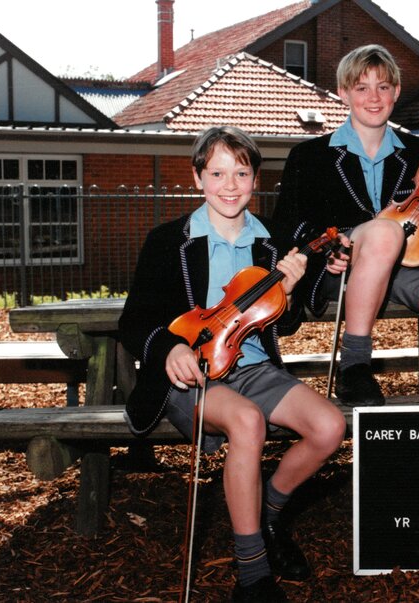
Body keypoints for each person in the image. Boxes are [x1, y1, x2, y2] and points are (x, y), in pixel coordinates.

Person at [119, 126, 346, 602]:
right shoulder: (168, 240)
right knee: (246, 423)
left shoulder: (273, 243)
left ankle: (267, 511)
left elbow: (282, 327)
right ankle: (252, 574)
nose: (229, 184)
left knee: (329, 427)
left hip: (255, 368)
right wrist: (170, 350)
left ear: (254, 178)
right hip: (192, 374)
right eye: (217, 173)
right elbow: (135, 321)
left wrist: (311, 279)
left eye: (240, 173)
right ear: (198, 177)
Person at [272, 44, 419, 406]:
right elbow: (290, 226)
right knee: (385, 230)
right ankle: (354, 366)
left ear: (396, 92)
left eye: (383, 87)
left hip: (403, 263)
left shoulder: (418, 153)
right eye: (361, 88)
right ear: (343, 92)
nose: (373, 97)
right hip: (338, 268)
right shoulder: (309, 156)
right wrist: (327, 252)